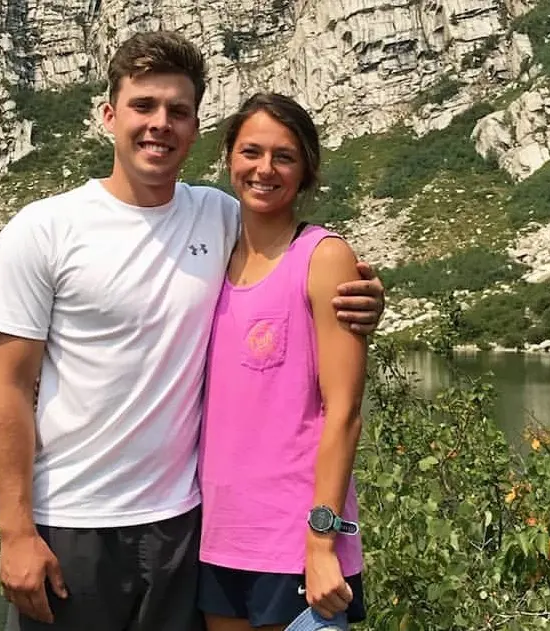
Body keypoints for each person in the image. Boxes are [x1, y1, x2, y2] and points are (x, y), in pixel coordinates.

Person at [0, 31, 384, 631]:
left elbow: (296, 267)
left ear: (196, 129)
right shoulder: (42, 230)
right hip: (73, 524)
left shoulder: (220, 217)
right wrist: (15, 531)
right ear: (109, 114)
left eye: (178, 111)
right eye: (143, 106)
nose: (159, 124)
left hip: (184, 529)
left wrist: (363, 300)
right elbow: (9, 388)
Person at [196, 93, 367, 631]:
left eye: (284, 156)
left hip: (294, 544)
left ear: (307, 169)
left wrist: (322, 542)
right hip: (219, 540)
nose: (264, 169)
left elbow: (344, 411)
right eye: (251, 151)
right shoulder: (213, 256)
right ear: (228, 158)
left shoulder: (322, 256)